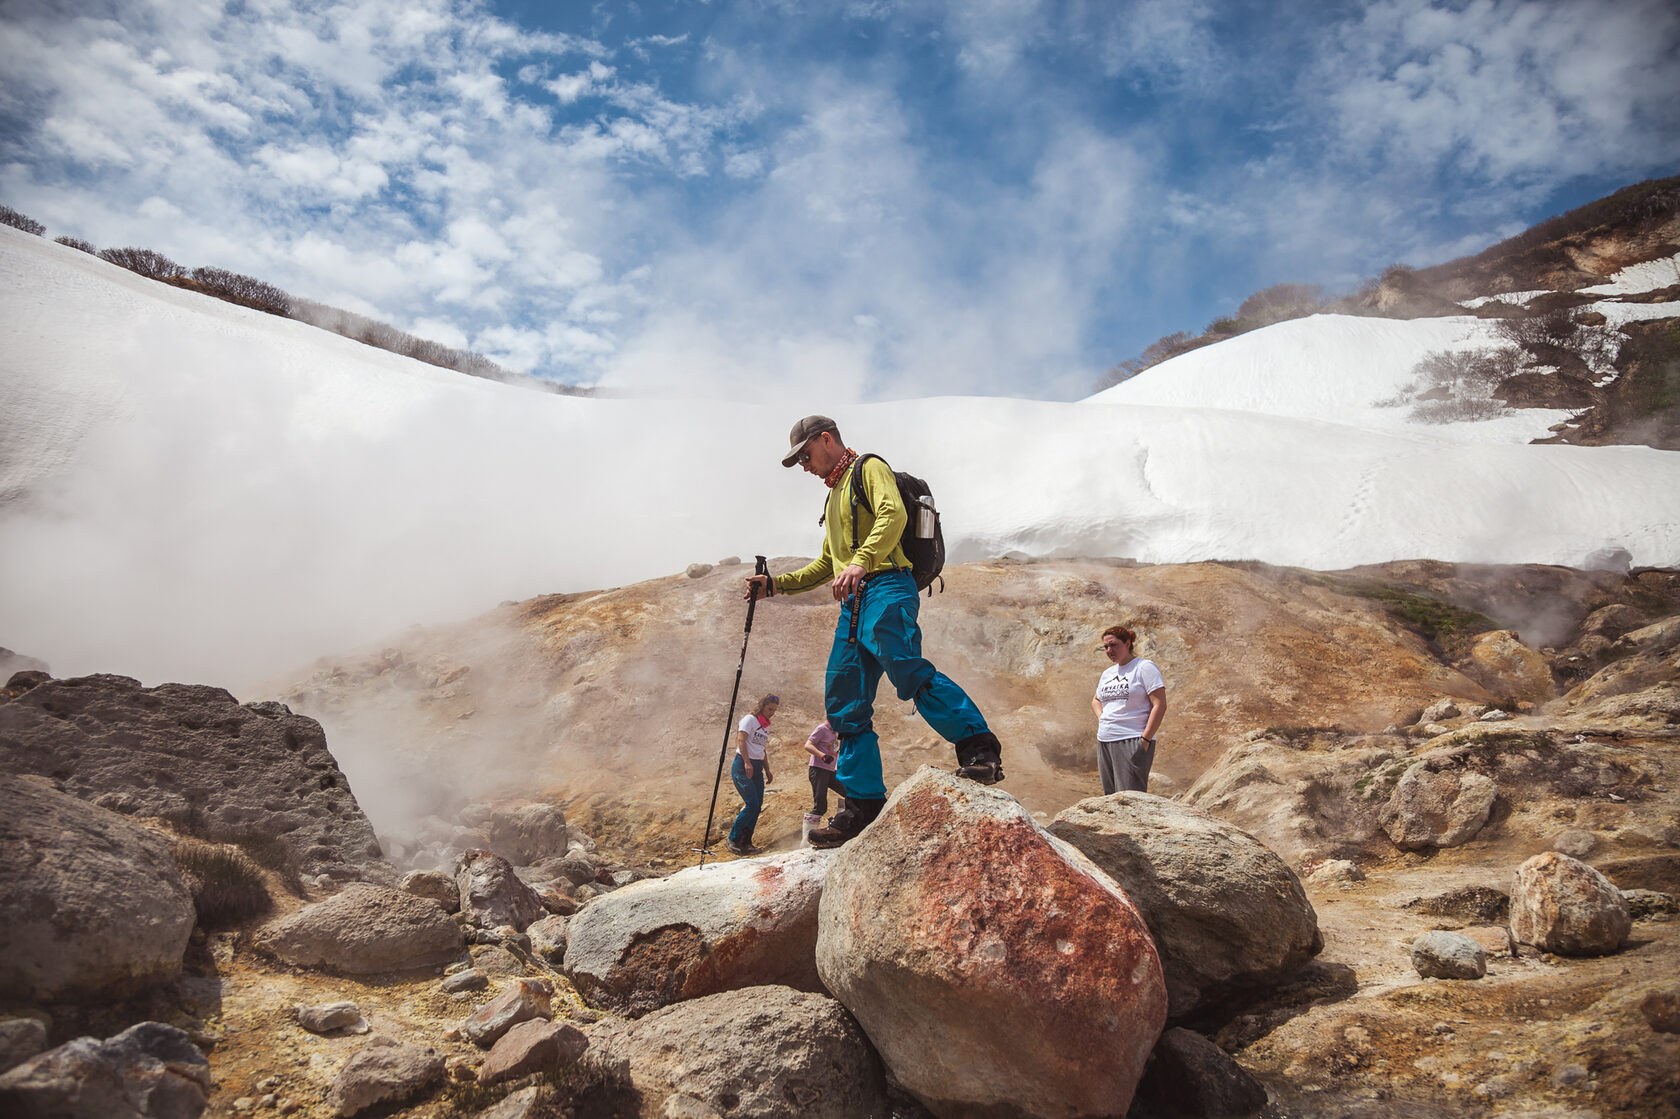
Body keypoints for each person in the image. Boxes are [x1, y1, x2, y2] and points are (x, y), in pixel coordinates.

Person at [745, 415, 1004, 849]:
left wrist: (862, 561)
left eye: (806, 455)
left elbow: (893, 513)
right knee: (843, 698)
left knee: (906, 668)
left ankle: (980, 751)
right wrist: (777, 585)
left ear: (826, 440)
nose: (805, 467)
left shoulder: (869, 468)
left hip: (887, 584)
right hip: (854, 601)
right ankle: (862, 805)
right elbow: (827, 564)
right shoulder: (832, 500)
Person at [1091, 625, 1166, 794]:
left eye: (1114, 645)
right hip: (1105, 739)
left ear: (1127, 643)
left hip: (1132, 738)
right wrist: (1103, 718)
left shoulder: (1144, 667)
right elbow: (1096, 700)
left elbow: (1160, 704)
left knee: (1130, 797)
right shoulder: (1108, 673)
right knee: (1110, 797)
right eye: (1106, 647)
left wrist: (1145, 740)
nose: (1109, 650)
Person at [727, 694, 778, 855]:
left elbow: (762, 749)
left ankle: (746, 841)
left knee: (758, 806)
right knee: (752, 804)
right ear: (762, 706)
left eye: (774, 710)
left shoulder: (765, 725)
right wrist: (747, 762)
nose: (772, 712)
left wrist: (767, 770)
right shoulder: (749, 720)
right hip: (743, 765)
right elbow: (741, 741)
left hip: (757, 766)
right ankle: (733, 839)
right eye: (770, 709)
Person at [803, 719, 847, 828]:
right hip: (818, 769)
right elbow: (808, 745)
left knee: (849, 793)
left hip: (830, 771)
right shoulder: (822, 728)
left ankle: (841, 826)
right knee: (820, 807)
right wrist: (822, 755)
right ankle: (807, 839)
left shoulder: (836, 732)